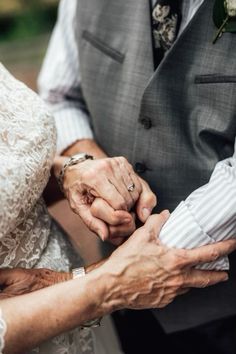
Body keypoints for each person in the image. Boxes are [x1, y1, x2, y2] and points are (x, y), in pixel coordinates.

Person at [38, 0, 236, 353]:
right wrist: (93, 167)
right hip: (121, 304)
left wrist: (108, 278)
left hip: (223, 301)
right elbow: (59, 95)